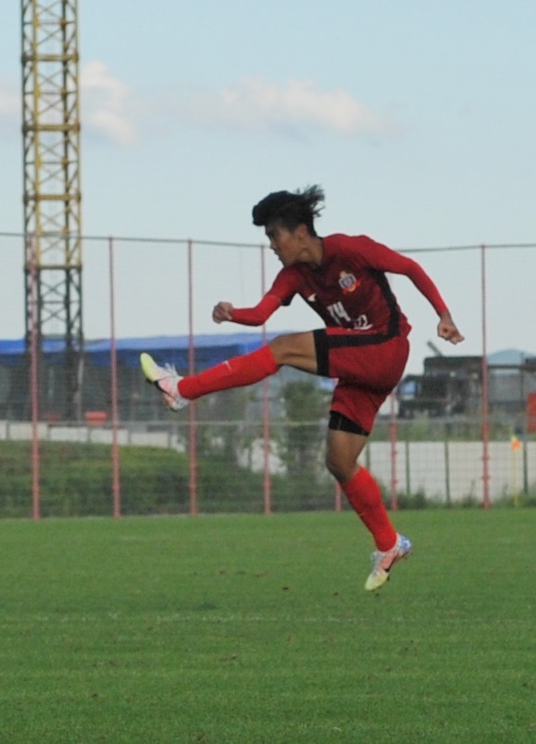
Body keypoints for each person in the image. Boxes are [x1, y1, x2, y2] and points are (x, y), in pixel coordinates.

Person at [140, 186, 463, 592]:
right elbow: (261, 312)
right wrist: (233, 313)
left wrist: (444, 315)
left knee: (284, 349)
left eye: (274, 236)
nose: (272, 245)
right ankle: (389, 543)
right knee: (340, 462)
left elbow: (409, 268)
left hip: (386, 347)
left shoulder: (350, 249)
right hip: (360, 367)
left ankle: (182, 389)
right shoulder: (293, 276)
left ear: (299, 231)